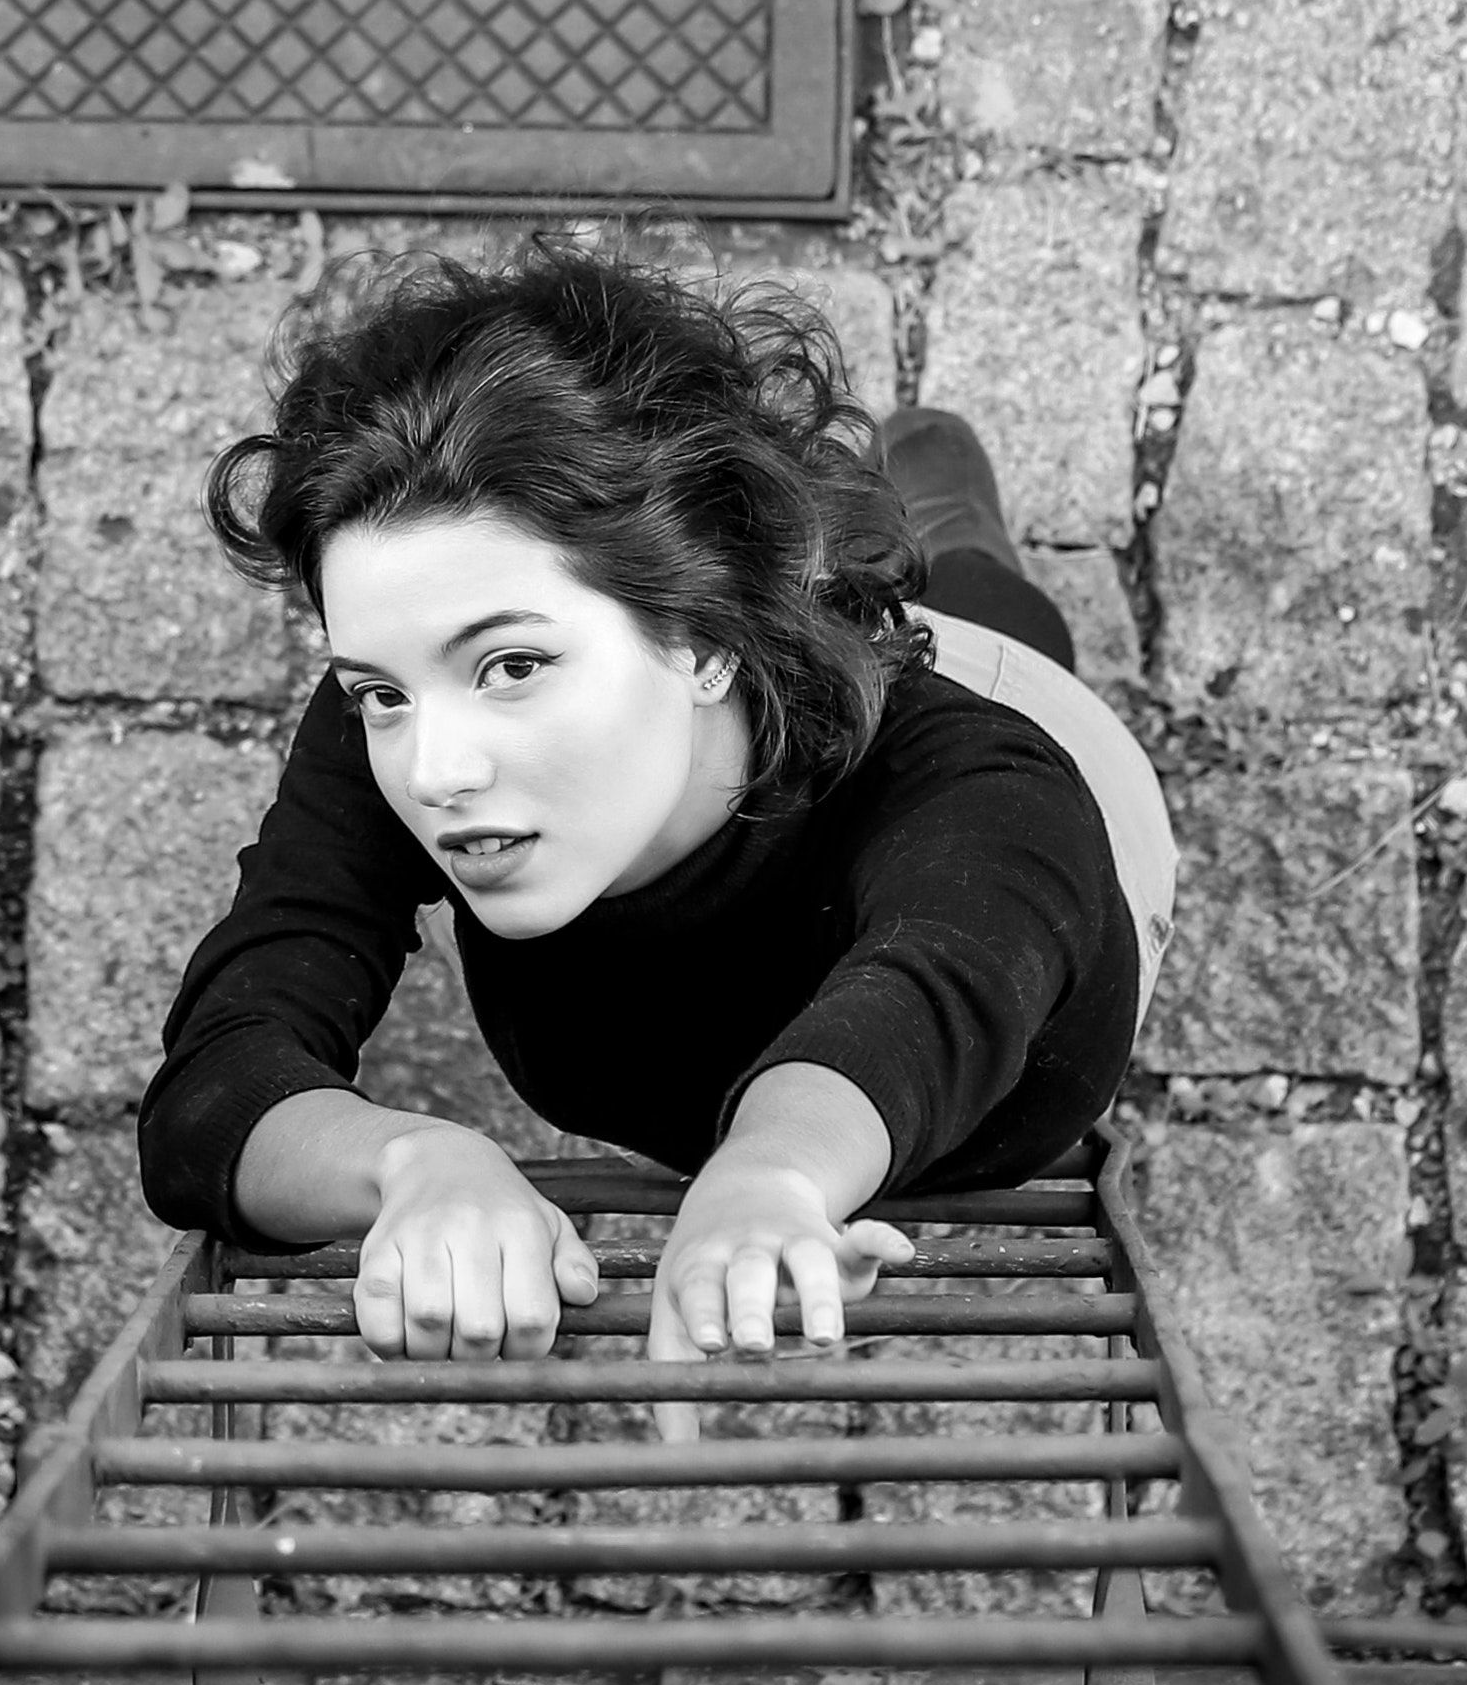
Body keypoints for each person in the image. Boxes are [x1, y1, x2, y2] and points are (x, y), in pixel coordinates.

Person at [135, 239, 1175, 1432]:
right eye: (381, 690)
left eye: (513, 665)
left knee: (978, 608)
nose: (435, 770)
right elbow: (215, 1080)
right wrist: (410, 1163)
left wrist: (772, 1171)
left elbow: (939, 979)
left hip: (1039, 754)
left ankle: (953, 528)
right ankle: (863, 527)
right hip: (740, 623)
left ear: (703, 637)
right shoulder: (421, 712)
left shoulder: (988, 790)